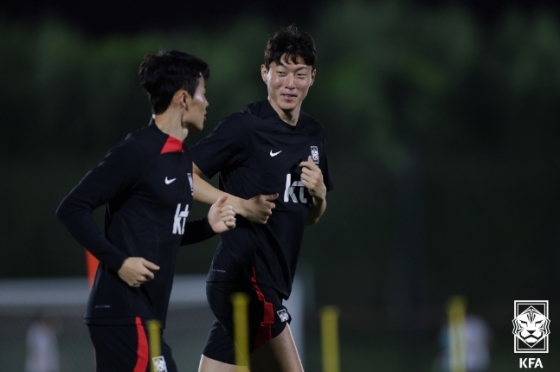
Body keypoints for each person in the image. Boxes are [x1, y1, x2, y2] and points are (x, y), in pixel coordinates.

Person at [56, 50, 237, 372]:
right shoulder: (138, 151)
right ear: (183, 99)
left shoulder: (180, 160)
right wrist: (119, 261)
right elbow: (72, 208)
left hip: (145, 317)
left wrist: (207, 226)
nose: (206, 103)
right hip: (122, 313)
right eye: (202, 94)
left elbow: (160, 232)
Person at [191, 25, 334, 372]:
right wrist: (240, 205)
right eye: (281, 72)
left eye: (300, 74)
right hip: (246, 283)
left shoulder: (313, 134)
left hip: (265, 285)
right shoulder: (245, 127)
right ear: (264, 73)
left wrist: (319, 195)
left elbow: (309, 216)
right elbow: (183, 176)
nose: (290, 83)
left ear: (313, 77)